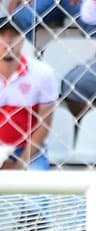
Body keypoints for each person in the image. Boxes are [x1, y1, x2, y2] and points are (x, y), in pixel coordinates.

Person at [0, 16, 56, 171]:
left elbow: (44, 123)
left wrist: (21, 163)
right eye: (2, 36)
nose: (8, 42)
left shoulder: (43, 74)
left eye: (14, 36)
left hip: (28, 149)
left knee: (36, 190)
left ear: (23, 39)